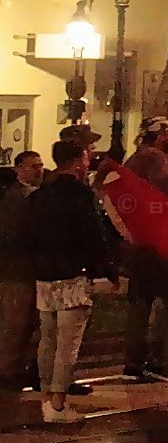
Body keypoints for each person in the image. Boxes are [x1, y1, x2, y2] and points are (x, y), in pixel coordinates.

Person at [28, 141, 113, 423]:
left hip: (45, 274)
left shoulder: (41, 194)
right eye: (86, 157)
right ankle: (58, 405)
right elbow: (93, 235)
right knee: (68, 343)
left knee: (47, 339)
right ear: (78, 161)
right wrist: (106, 270)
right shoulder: (80, 195)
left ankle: (44, 400)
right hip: (72, 275)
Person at [120, 122, 168, 382]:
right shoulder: (155, 158)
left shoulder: (134, 159)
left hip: (139, 241)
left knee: (140, 302)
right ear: (161, 135)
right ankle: (159, 360)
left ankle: (133, 361)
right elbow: (166, 186)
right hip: (159, 242)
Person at [1, 148, 43, 392]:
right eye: (33, 165)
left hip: (28, 270)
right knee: (15, 322)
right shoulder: (16, 198)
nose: (39, 170)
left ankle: (18, 368)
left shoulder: (35, 196)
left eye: (40, 165)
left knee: (28, 323)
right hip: (16, 270)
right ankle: (8, 370)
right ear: (19, 169)